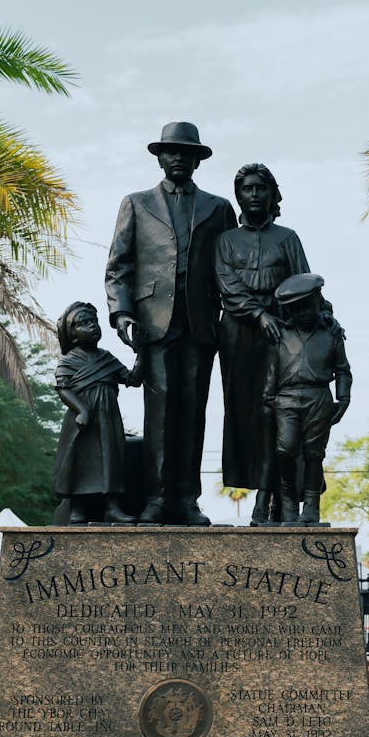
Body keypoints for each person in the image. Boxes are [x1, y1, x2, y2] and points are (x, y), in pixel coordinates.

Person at [105, 121, 237, 525]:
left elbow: (231, 267)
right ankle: (158, 498)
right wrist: (122, 312)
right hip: (154, 325)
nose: (178, 157)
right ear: (160, 158)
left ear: (197, 160)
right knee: (159, 413)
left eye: (186, 152)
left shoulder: (218, 208)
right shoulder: (137, 203)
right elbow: (118, 266)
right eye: (171, 151)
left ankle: (187, 499)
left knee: (193, 413)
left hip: (201, 325)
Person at [214, 163, 310, 524]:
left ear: (272, 194)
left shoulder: (288, 238)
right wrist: (259, 315)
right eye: (247, 189)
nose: (253, 195)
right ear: (238, 196)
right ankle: (255, 487)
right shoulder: (225, 240)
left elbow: (303, 283)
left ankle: (274, 497)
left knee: (279, 414)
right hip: (238, 333)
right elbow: (228, 286)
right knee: (244, 415)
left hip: (282, 335)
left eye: (260, 189)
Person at [263, 273, 352, 524]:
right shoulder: (281, 334)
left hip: (318, 397)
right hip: (286, 399)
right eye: (295, 308)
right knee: (285, 449)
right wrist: (267, 399)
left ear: (317, 302)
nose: (302, 312)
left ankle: (312, 506)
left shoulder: (331, 334)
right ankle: (288, 501)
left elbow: (343, 369)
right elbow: (272, 369)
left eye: (307, 306)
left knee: (315, 453)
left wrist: (343, 399)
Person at [53, 301, 140, 525]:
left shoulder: (106, 358)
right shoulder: (68, 361)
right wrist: (81, 410)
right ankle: (77, 509)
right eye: (84, 323)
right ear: (72, 335)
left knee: (112, 459)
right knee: (79, 460)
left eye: (94, 321)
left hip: (108, 418)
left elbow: (132, 379)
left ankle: (113, 507)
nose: (92, 326)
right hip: (82, 420)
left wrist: (143, 351)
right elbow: (63, 389)